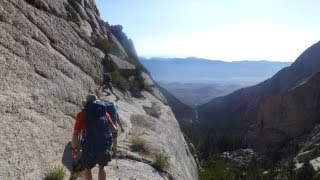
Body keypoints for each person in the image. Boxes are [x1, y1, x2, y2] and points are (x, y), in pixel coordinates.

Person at [71, 94, 117, 180]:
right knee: (101, 168)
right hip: (103, 146)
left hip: (88, 147)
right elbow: (114, 129)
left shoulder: (81, 115)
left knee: (87, 169)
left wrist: (74, 148)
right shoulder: (105, 114)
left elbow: (75, 134)